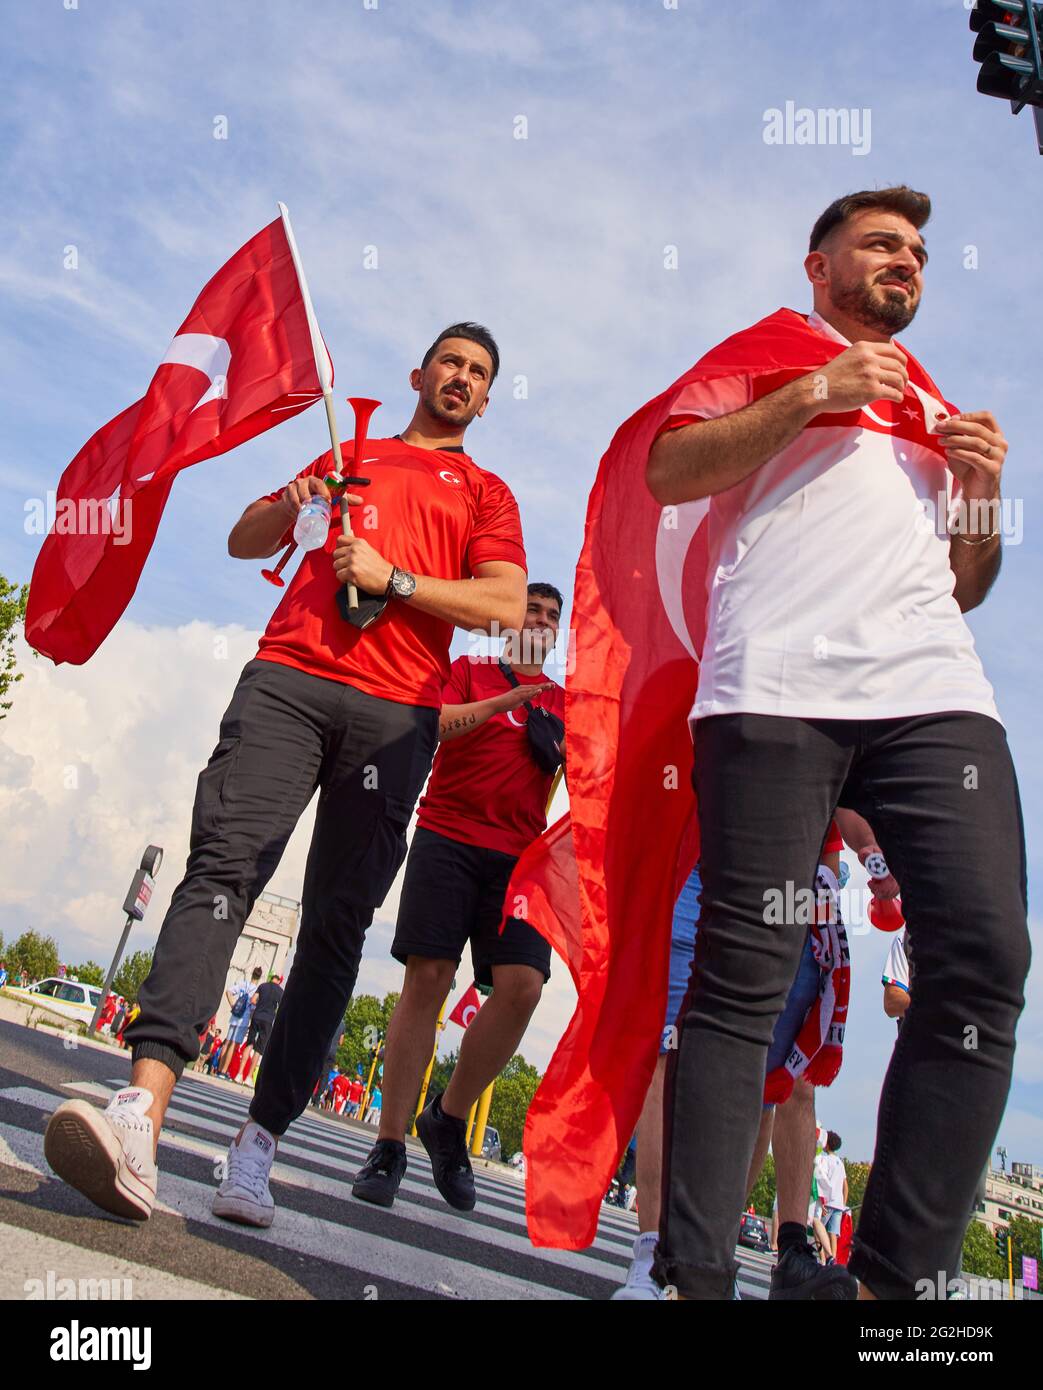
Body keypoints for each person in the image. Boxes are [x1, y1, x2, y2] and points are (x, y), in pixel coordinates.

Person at [44, 322, 527, 1230]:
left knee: (335, 927)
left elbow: (504, 602)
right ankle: (141, 1109)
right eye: (449, 364)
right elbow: (242, 537)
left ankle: (259, 1145)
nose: (460, 378)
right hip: (289, 681)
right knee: (221, 872)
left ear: (488, 398)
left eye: (478, 373)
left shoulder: (487, 493)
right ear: (418, 374)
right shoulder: (351, 453)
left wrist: (398, 580)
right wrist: (296, 501)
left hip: (396, 715)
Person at [644, 186, 1028, 1301]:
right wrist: (815, 389)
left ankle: (882, 1289)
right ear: (819, 268)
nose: (903, 260)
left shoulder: (931, 400)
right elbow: (670, 468)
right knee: (741, 973)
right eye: (878, 244)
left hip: (929, 692)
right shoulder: (771, 349)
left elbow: (965, 585)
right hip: (773, 683)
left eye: (915, 250)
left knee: (984, 957)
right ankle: (695, 1275)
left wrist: (980, 494)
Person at [352, 584, 564, 1211]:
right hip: (447, 837)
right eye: (532, 609)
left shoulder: (566, 701)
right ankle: (389, 1144)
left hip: (521, 861)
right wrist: (507, 701)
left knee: (523, 985)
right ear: (510, 618)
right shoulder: (470, 669)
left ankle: (448, 1116)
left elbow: (594, 775)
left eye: (553, 616)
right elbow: (438, 727)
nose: (542, 621)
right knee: (428, 980)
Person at [614, 824, 856, 1301]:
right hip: (704, 848)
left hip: (793, 876)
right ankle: (651, 1254)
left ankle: (711, 1257)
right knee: (670, 1046)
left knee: (770, 1076)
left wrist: (831, 883)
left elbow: (841, 791)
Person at [217, 967, 263, 1077]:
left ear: (252, 974)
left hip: (235, 1015)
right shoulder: (256, 990)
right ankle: (224, 1070)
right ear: (259, 977)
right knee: (234, 1044)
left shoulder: (243, 984)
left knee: (227, 1042)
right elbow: (252, 1007)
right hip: (244, 1018)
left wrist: (232, 1004)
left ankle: (218, 1068)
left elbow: (228, 991)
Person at [239, 973, 284, 1085]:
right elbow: (281, 1007)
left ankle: (239, 1074)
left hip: (257, 1016)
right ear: (279, 981)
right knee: (259, 1049)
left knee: (249, 1043)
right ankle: (249, 1077)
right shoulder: (280, 991)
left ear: (271, 978)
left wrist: (260, 1005)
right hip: (268, 1020)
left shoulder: (262, 986)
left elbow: (253, 1000)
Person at [815, 1131, 849, 1262]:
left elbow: (822, 1181)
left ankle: (823, 1259)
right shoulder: (840, 1163)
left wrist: (821, 1202)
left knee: (818, 1230)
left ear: (827, 1145)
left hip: (827, 1202)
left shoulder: (825, 1160)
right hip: (839, 1204)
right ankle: (833, 1258)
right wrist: (843, 1204)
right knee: (833, 1233)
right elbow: (845, 1186)